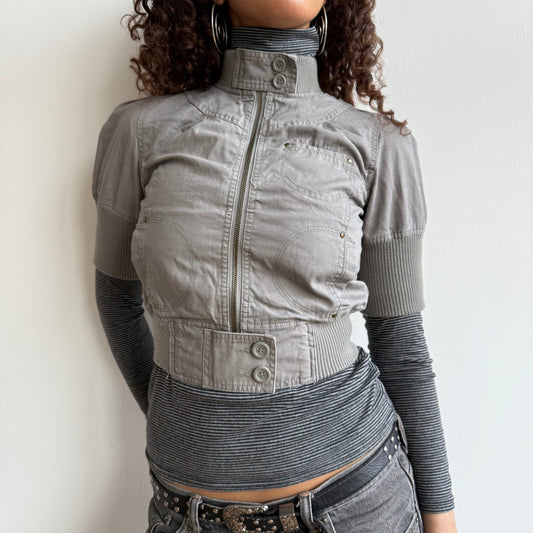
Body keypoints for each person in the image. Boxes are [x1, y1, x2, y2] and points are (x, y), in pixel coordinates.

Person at [91, 1, 458, 532]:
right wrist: (193, 414)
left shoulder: (380, 145)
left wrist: (441, 515)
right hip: (185, 516)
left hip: (358, 502)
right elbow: (116, 301)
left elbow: (400, 347)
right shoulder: (139, 131)